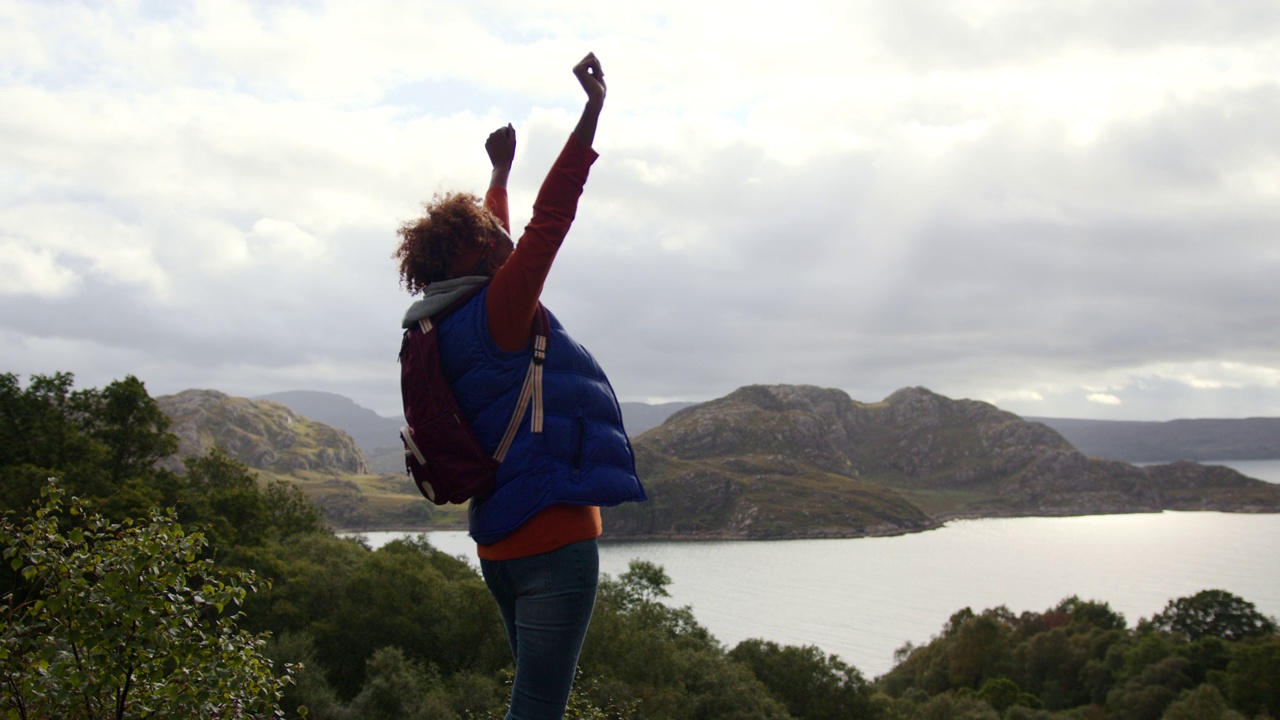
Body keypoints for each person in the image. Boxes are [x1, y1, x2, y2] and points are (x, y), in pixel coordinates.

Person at [393, 53, 647, 719]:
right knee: (538, 710)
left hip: (497, 547)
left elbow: (498, 240)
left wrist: (497, 176)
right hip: (553, 541)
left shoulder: (438, 328)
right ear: (479, 256)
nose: (505, 244)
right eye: (491, 240)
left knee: (528, 702)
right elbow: (549, 221)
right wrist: (591, 114)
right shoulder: (501, 313)